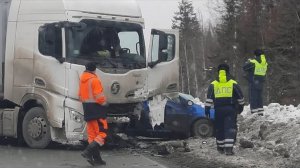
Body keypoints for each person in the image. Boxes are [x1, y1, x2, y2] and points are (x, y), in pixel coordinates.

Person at [205, 64, 245, 155]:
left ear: (218, 72)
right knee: (230, 128)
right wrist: (241, 107)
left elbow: (209, 99)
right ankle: (229, 149)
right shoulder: (233, 83)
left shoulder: (213, 84)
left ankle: (220, 148)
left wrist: (207, 109)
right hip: (230, 109)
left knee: (219, 128)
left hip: (218, 110)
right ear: (228, 71)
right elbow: (241, 97)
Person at [78, 62, 108, 166]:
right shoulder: (94, 80)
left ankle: (97, 159)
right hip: (97, 110)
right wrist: (105, 104)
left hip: (87, 109)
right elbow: (99, 97)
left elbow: (80, 96)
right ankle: (87, 152)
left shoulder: (82, 80)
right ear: (95, 69)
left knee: (92, 136)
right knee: (102, 133)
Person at [243, 49, 268, 115]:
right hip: (261, 82)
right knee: (259, 98)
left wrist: (248, 61)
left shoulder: (253, 62)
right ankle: (260, 113)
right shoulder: (265, 63)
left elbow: (244, 67)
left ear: (255, 55)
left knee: (253, 98)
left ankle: (254, 114)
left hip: (253, 82)